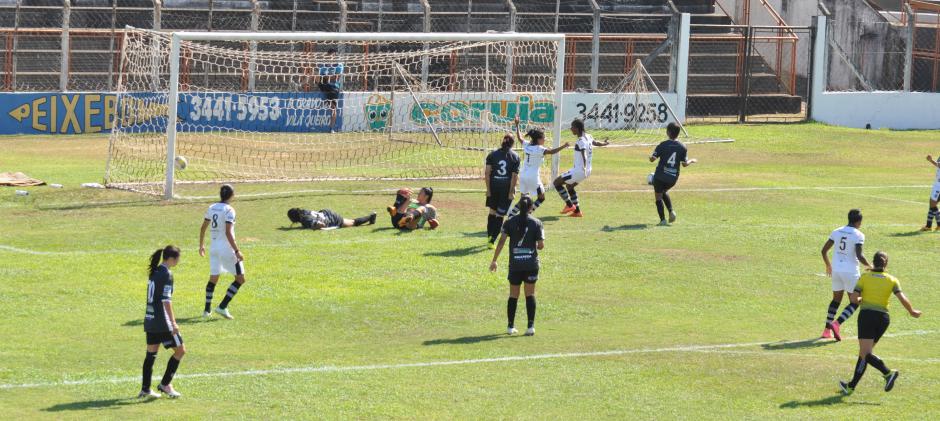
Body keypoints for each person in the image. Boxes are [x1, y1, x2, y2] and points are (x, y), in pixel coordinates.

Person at [839, 251, 922, 395]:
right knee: (865, 353)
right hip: (883, 319)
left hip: (867, 317)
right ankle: (851, 386)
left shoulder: (864, 277)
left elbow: (853, 299)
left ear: (873, 261)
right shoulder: (892, 280)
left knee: (865, 353)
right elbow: (902, 297)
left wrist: (862, 300)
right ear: (886, 263)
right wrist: (912, 311)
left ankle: (888, 373)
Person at [489, 195, 545, 336]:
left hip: (515, 265)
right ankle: (530, 327)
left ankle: (510, 326)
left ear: (519, 206)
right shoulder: (537, 223)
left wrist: (494, 260)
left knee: (513, 295)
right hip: (531, 265)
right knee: (530, 294)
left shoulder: (509, 222)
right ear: (531, 207)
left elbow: (501, 241)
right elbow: (540, 245)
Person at [140, 245, 185, 399]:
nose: (179, 261)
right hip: (163, 322)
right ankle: (165, 384)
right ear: (171, 259)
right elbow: (166, 300)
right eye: (178, 258)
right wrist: (173, 323)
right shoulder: (167, 274)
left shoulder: (155, 271)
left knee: (151, 355)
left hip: (150, 320)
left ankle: (145, 389)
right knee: (180, 351)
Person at [821, 209, 872, 341]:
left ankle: (826, 330)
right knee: (855, 302)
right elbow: (859, 256)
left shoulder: (836, 231)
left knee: (836, 300)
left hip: (836, 270)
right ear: (859, 221)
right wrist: (870, 266)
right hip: (850, 272)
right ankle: (836, 324)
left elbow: (824, 250)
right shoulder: (859, 235)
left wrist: (828, 265)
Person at [199, 185, 247, 320]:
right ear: (232, 195)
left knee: (213, 278)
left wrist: (201, 245)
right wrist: (237, 251)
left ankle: (206, 310)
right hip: (226, 249)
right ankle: (222, 306)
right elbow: (228, 232)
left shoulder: (212, 207)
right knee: (240, 278)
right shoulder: (229, 210)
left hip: (213, 248)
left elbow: (203, 228)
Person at [507, 126, 569, 218]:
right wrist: (563, 146)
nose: (545, 139)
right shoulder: (539, 149)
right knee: (541, 198)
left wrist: (517, 125)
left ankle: (512, 215)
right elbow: (552, 152)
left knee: (524, 199)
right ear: (539, 139)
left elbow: (520, 138)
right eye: (544, 138)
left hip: (523, 175)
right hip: (533, 177)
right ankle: (526, 215)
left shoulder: (527, 145)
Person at [553, 118, 609, 218]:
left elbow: (584, 153)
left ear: (577, 129)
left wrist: (583, 166)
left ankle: (570, 205)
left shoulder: (580, 141)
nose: (571, 129)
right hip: (588, 171)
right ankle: (577, 212)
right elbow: (596, 143)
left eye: (572, 127)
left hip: (579, 170)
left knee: (556, 182)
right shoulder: (589, 136)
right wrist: (605, 143)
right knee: (569, 187)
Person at [649, 122, 696, 226]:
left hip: (660, 176)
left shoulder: (663, 145)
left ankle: (662, 220)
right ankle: (671, 212)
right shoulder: (683, 147)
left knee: (658, 196)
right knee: (664, 191)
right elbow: (684, 164)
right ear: (678, 133)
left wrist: (650, 156)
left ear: (668, 132)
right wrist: (692, 160)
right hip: (673, 179)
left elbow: (652, 159)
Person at [485, 124, 521, 248]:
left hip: (494, 187)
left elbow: (487, 173)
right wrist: (511, 191)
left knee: (492, 212)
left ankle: (489, 236)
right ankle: (492, 241)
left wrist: (488, 190)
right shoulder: (515, 157)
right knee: (500, 215)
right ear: (512, 144)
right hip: (505, 189)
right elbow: (514, 176)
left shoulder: (492, 155)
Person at [317, 49, 345, 133]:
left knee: (333, 108)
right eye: (329, 55)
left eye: (332, 55)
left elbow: (336, 78)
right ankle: (300, 86)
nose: (330, 57)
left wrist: (326, 77)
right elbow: (320, 76)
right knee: (314, 75)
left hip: (333, 87)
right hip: (325, 85)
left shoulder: (339, 65)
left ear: (335, 56)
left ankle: (331, 128)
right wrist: (325, 77)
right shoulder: (323, 66)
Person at [287, 207, 376, 230]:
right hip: (326, 213)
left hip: (331, 218)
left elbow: (320, 224)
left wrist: (315, 227)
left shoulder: (305, 220)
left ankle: (371, 217)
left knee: (353, 223)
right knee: (352, 221)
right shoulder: (304, 211)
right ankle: (371, 218)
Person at [921, 154, 940, 231]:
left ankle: (937, 225)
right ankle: (928, 226)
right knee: (932, 204)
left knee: (932, 204)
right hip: (937, 184)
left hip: (939, 186)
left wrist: (931, 160)